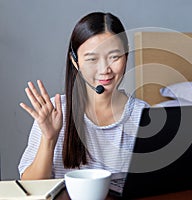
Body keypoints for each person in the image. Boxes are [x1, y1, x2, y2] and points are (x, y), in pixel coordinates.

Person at [18, 12, 149, 179]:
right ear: (75, 61)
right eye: (92, 59)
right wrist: (49, 138)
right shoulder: (55, 113)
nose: (104, 70)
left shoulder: (142, 114)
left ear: (126, 56)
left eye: (114, 57)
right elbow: (31, 185)